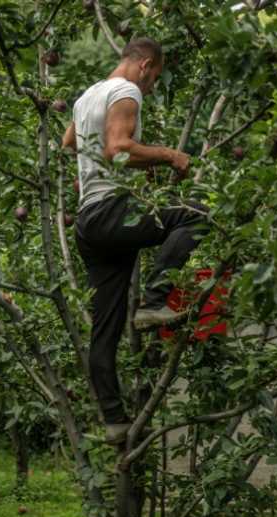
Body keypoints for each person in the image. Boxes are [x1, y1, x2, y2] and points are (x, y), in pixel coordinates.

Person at [62, 37, 209, 444]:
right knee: (198, 215)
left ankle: (114, 420)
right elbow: (118, 149)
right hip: (112, 211)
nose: (152, 88)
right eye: (155, 78)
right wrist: (168, 156)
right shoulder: (126, 91)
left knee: (104, 329)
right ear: (144, 65)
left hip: (90, 222)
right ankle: (156, 300)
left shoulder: (86, 96)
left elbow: (70, 143)